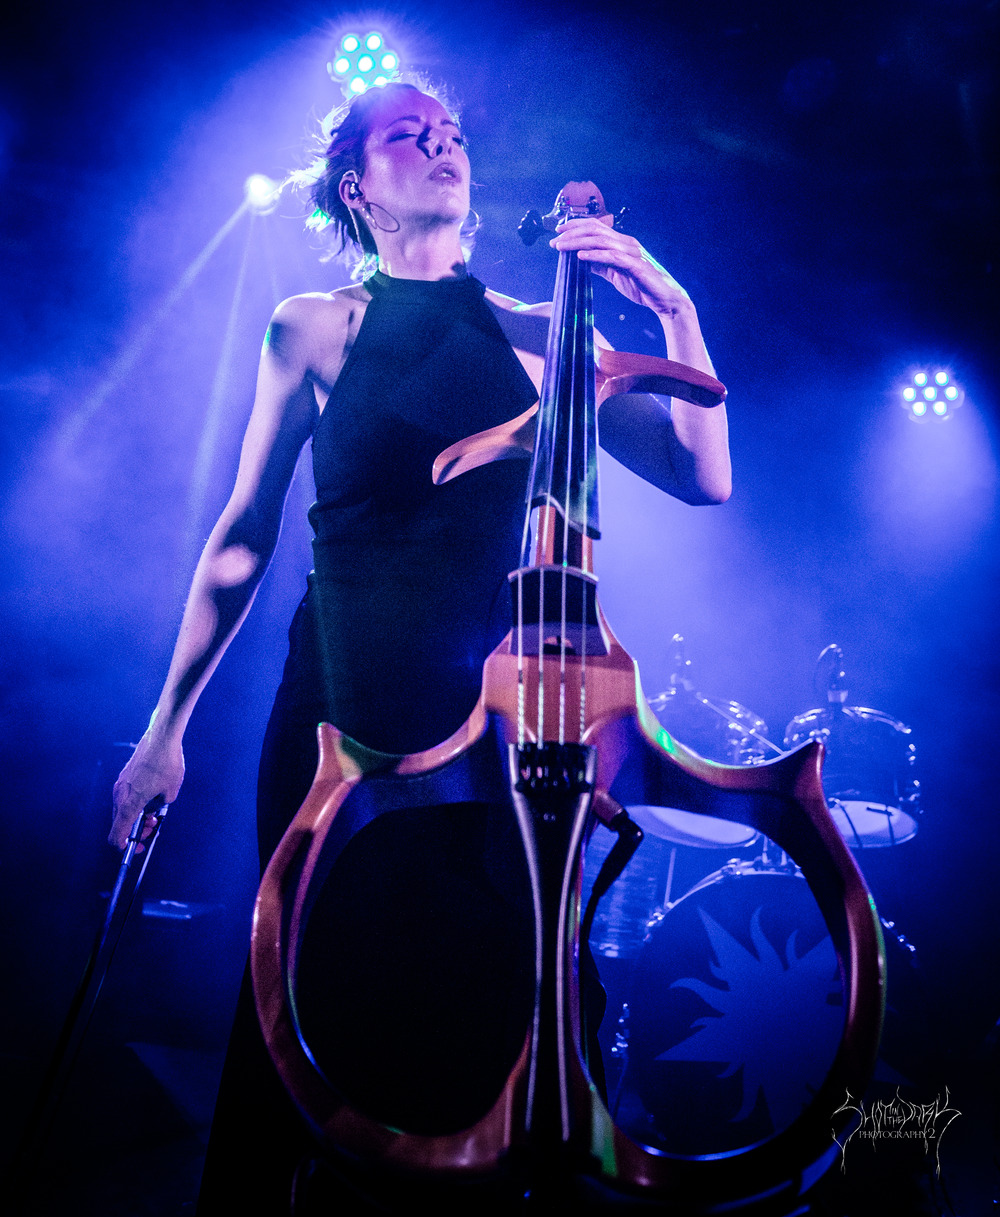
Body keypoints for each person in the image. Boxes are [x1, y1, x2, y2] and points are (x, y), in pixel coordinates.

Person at [109, 80, 731, 1214]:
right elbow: (242, 538)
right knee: (316, 998)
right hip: (337, 713)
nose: (443, 144)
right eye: (410, 135)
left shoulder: (542, 332)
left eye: (450, 134)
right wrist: (163, 733)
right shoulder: (314, 325)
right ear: (358, 187)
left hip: (492, 731)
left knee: (486, 1001)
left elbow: (702, 474)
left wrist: (675, 310)